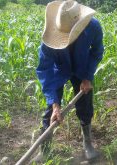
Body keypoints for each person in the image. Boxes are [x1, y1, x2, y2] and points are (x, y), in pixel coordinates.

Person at [32, 0, 104, 162]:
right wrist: (55, 104)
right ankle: (45, 149)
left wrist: (87, 77)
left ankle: (87, 143)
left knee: (85, 105)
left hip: (82, 68)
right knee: (50, 110)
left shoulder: (93, 27)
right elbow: (45, 70)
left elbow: (97, 52)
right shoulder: (49, 41)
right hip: (60, 69)